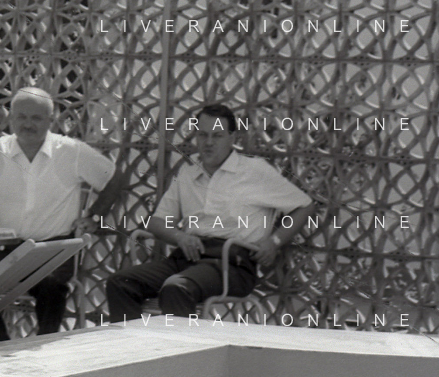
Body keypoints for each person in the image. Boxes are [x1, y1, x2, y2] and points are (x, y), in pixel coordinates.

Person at [0, 86, 125, 335]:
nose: (28, 124)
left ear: (50, 120)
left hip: (53, 248)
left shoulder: (71, 151)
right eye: (22, 117)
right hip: (2, 249)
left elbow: (114, 178)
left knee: (52, 285)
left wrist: (95, 216)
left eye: (36, 118)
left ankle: (45, 347)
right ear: (11, 118)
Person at [105, 103, 315, 322]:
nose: (208, 142)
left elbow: (304, 206)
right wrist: (180, 237)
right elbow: (157, 222)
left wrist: (274, 241)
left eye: (217, 135)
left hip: (231, 263)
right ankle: (135, 343)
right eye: (203, 135)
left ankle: (182, 345)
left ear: (232, 137)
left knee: (177, 287)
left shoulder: (254, 171)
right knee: (120, 283)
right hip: (187, 258)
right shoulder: (188, 173)